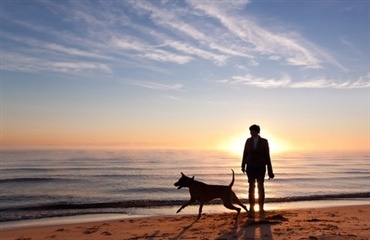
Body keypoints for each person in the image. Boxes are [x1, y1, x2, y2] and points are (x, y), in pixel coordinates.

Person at [241, 124, 274, 216]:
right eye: (250, 131)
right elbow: (245, 153)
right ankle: (251, 208)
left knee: (260, 187)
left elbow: (267, 156)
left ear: (256, 131)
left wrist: (270, 170)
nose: (250, 133)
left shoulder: (264, 141)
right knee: (251, 187)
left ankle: (261, 208)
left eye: (252, 131)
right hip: (250, 167)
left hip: (260, 167)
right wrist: (243, 165)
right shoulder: (248, 141)